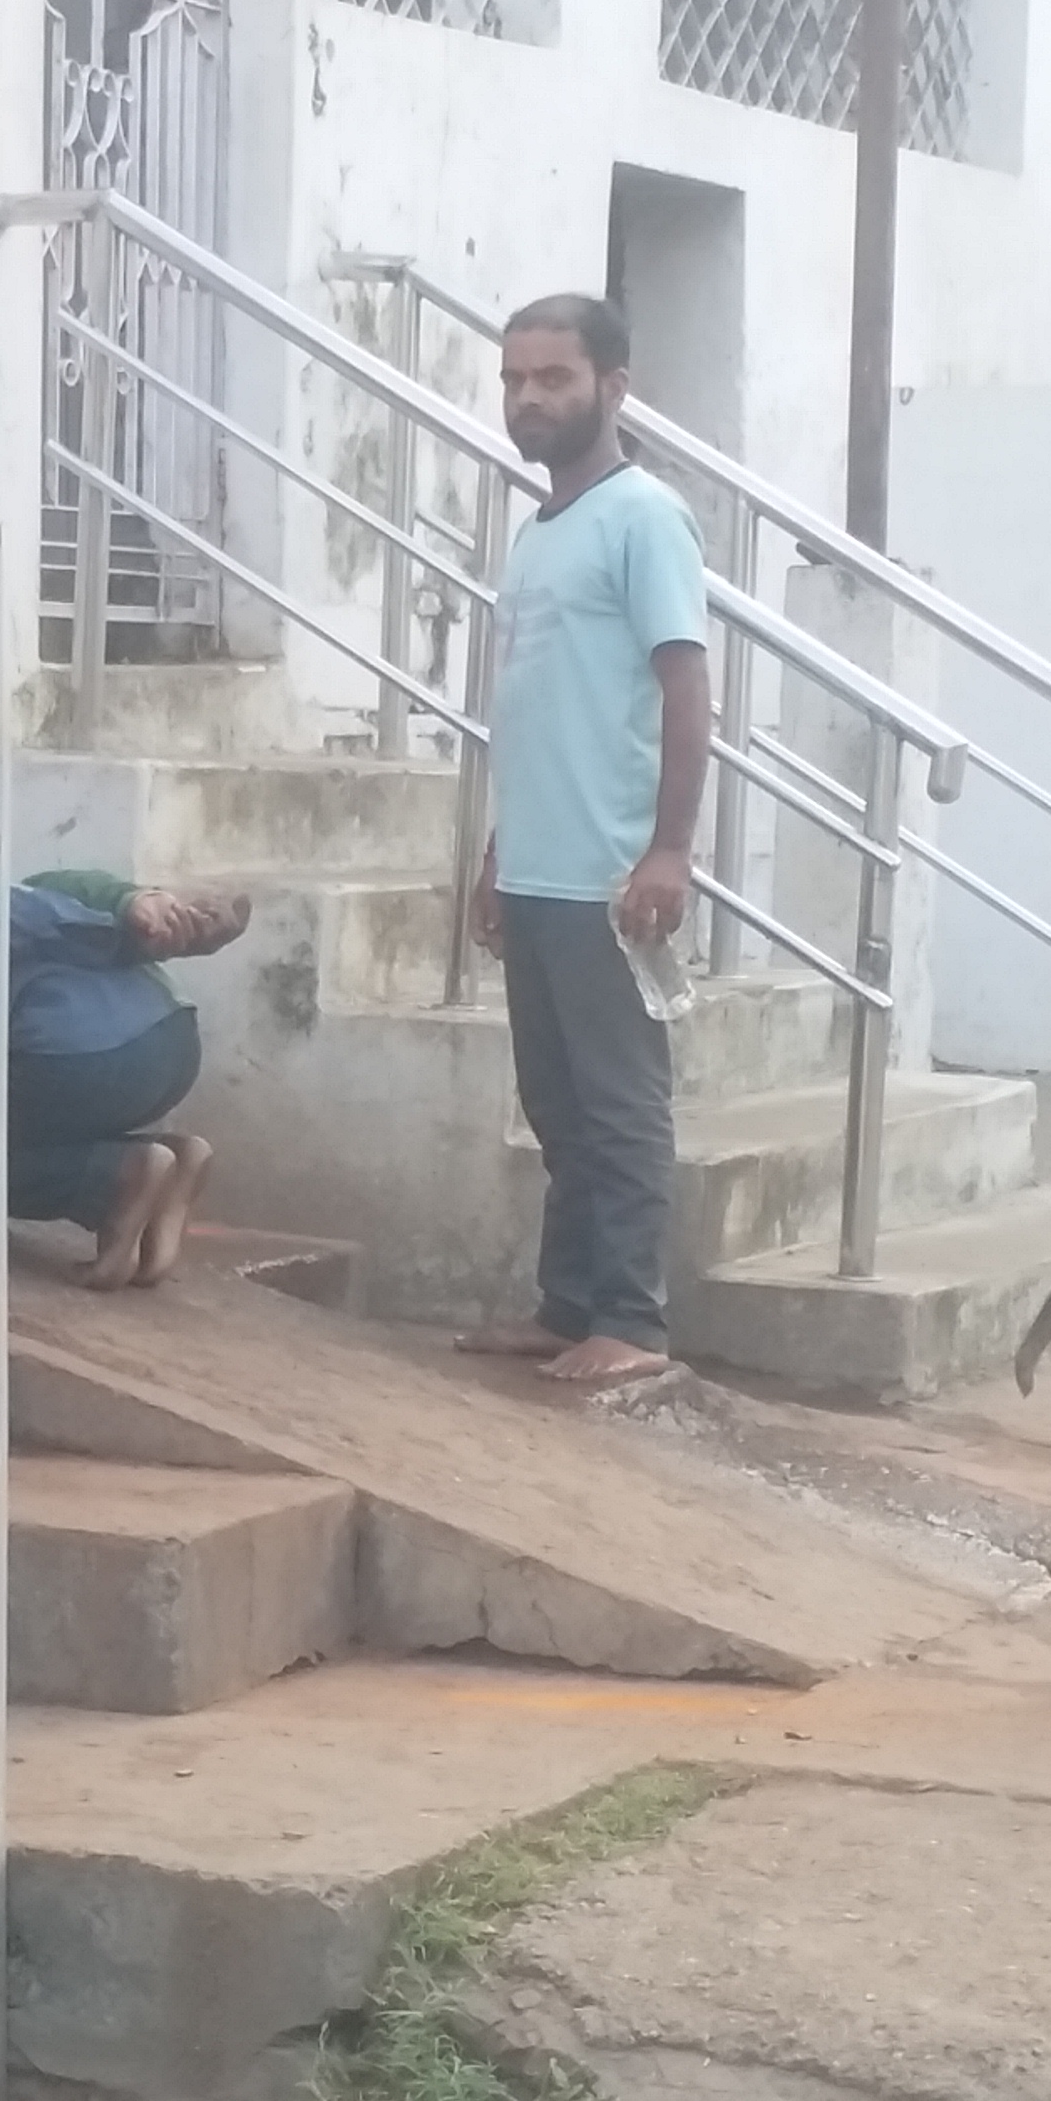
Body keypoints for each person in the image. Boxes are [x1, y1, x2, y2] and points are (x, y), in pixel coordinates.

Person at [460, 292, 711, 1393]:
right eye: (514, 380)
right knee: (556, 1105)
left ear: (613, 387)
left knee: (617, 1108)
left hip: (612, 876)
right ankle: (567, 1305)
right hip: (538, 869)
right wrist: (496, 855)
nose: (528, 399)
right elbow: (536, 705)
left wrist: (669, 850)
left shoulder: (644, 516)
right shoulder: (538, 531)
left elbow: (685, 688)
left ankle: (631, 1319)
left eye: (552, 379)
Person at [0, 870, 249, 1291]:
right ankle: (168, 1159)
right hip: (172, 1037)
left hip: (90, 1050)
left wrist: (131, 913)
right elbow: (50, 892)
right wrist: (128, 904)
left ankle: (111, 1178)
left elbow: (7, 911)